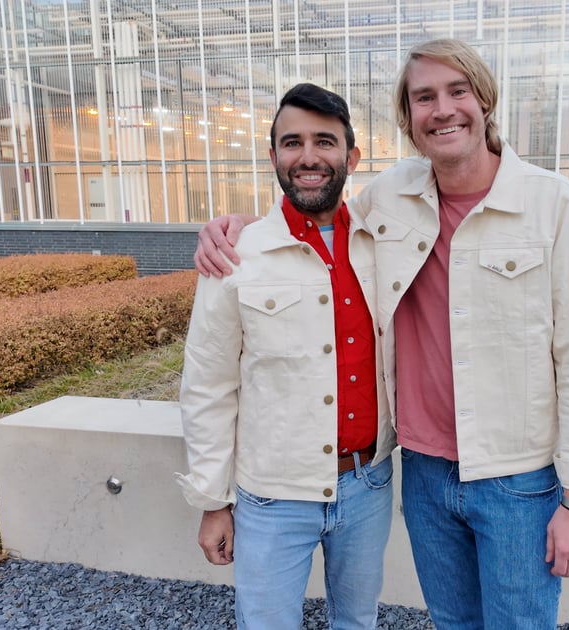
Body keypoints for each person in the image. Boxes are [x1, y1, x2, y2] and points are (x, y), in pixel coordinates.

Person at [194, 39, 569, 629]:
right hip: (422, 472)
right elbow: (312, 211)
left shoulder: (551, 204)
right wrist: (239, 229)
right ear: (410, 118)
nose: (442, 109)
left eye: (457, 92)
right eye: (424, 97)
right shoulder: (391, 200)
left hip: (516, 478)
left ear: (485, 100)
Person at [175, 82, 395, 630]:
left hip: (368, 483)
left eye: (326, 141)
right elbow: (208, 384)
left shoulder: (383, 242)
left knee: (358, 622)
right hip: (272, 495)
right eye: (292, 142)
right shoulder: (236, 255)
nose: (309, 156)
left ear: (352, 156)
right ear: (273, 156)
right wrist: (212, 500)